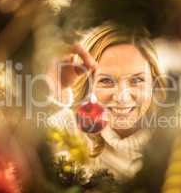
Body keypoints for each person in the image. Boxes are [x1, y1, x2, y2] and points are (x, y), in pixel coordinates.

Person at [47, 23, 166, 180]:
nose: (122, 97)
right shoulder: (67, 129)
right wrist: (49, 87)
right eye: (107, 81)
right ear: (88, 84)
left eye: (137, 80)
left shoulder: (176, 139)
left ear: (154, 83)